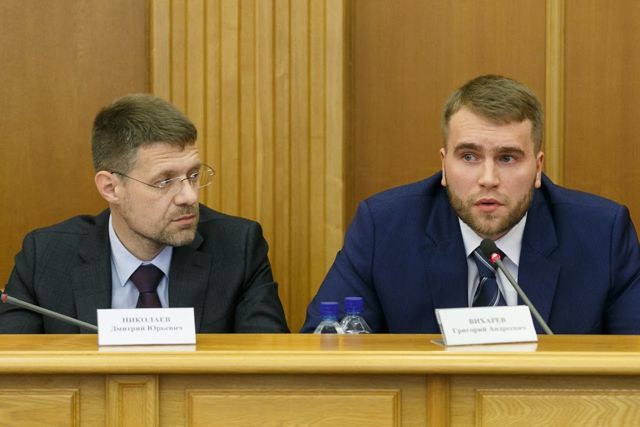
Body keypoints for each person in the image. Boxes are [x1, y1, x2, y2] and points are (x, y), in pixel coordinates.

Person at [302, 74, 640, 334]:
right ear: (444, 165)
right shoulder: (384, 229)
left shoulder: (602, 235)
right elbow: (324, 349)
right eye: (469, 157)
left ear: (538, 168)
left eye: (507, 158)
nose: (488, 178)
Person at [0, 94, 289, 333]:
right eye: (164, 181)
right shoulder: (46, 257)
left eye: (193, 175)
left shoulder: (237, 248)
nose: (189, 196)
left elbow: (268, 369)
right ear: (111, 188)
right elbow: (14, 372)